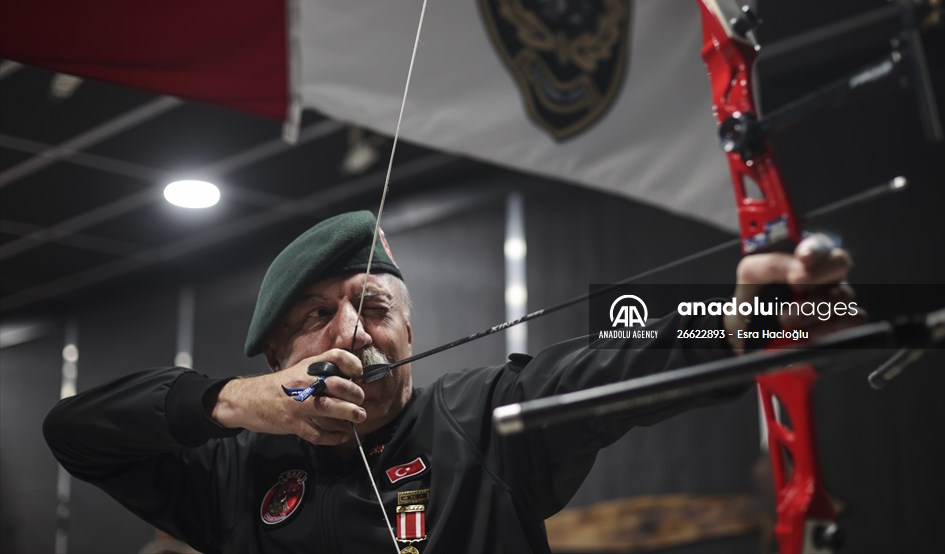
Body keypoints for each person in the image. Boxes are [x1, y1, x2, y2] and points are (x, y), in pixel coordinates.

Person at [44, 210, 853, 553]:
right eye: (318, 314)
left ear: (409, 330)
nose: (354, 331)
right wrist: (227, 405)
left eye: (374, 305)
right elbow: (74, 432)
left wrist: (754, 320)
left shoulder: (485, 416)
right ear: (274, 358)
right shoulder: (229, 473)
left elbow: (625, 364)